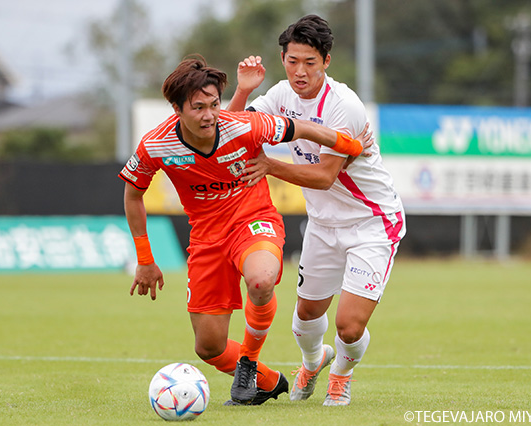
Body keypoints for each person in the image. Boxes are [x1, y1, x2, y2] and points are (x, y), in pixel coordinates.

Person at [119, 55, 368, 406]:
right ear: (176, 109)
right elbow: (133, 194)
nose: (209, 115)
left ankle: (248, 361)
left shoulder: (245, 125)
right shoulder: (156, 144)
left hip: (254, 221)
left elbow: (303, 128)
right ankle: (268, 381)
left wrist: (351, 146)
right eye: (198, 108)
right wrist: (145, 259)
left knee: (261, 281)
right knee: (209, 347)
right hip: (206, 238)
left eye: (214, 104)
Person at [227, 15, 406, 406]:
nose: (300, 71)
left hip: (372, 222)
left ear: (326, 61)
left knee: (348, 325)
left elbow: (325, 176)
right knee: (305, 318)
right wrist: (242, 90)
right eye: (292, 61)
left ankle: (341, 375)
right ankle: (312, 362)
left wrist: (270, 166)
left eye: (310, 62)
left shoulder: (344, 106)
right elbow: (232, 129)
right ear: (282, 58)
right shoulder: (279, 95)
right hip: (323, 225)